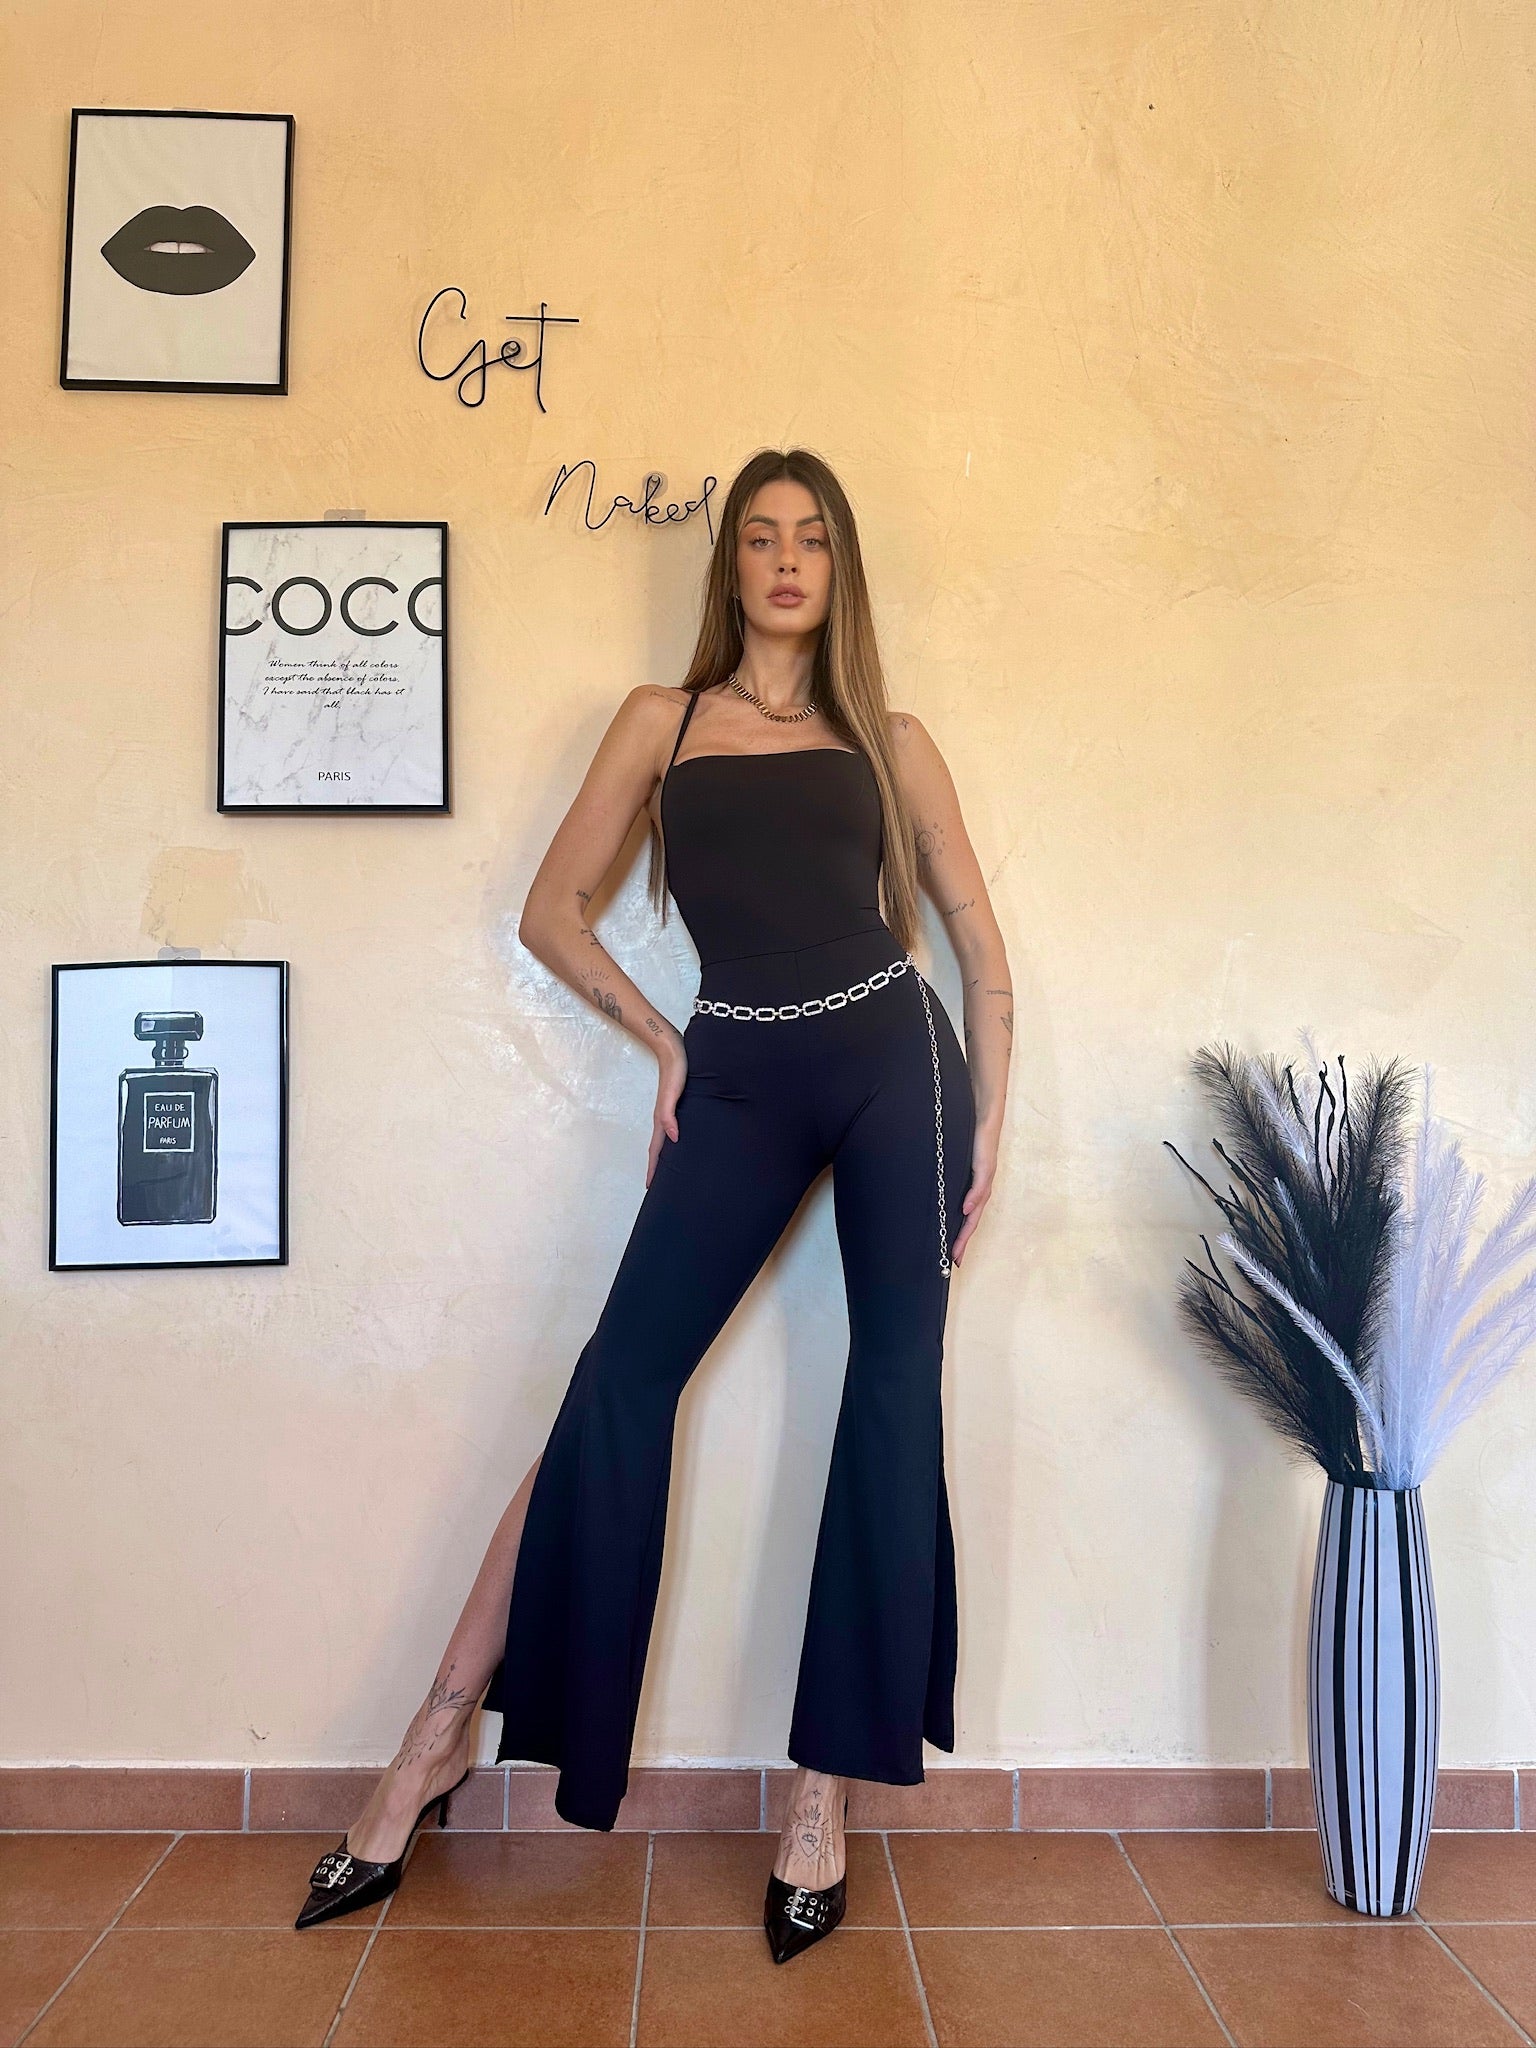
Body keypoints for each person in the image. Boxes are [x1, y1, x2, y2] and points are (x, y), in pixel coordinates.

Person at [295, 447, 1013, 1963]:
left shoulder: (888, 738)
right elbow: (549, 911)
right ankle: (432, 1740)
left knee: (892, 1396)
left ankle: (821, 1796)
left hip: (899, 1065)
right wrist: (663, 1039)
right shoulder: (661, 721)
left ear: (841, 566)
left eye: (812, 537)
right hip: (738, 1067)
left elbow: (973, 939)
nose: (786, 559)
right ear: (730, 563)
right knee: (616, 1386)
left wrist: (994, 1106)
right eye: (760, 535)